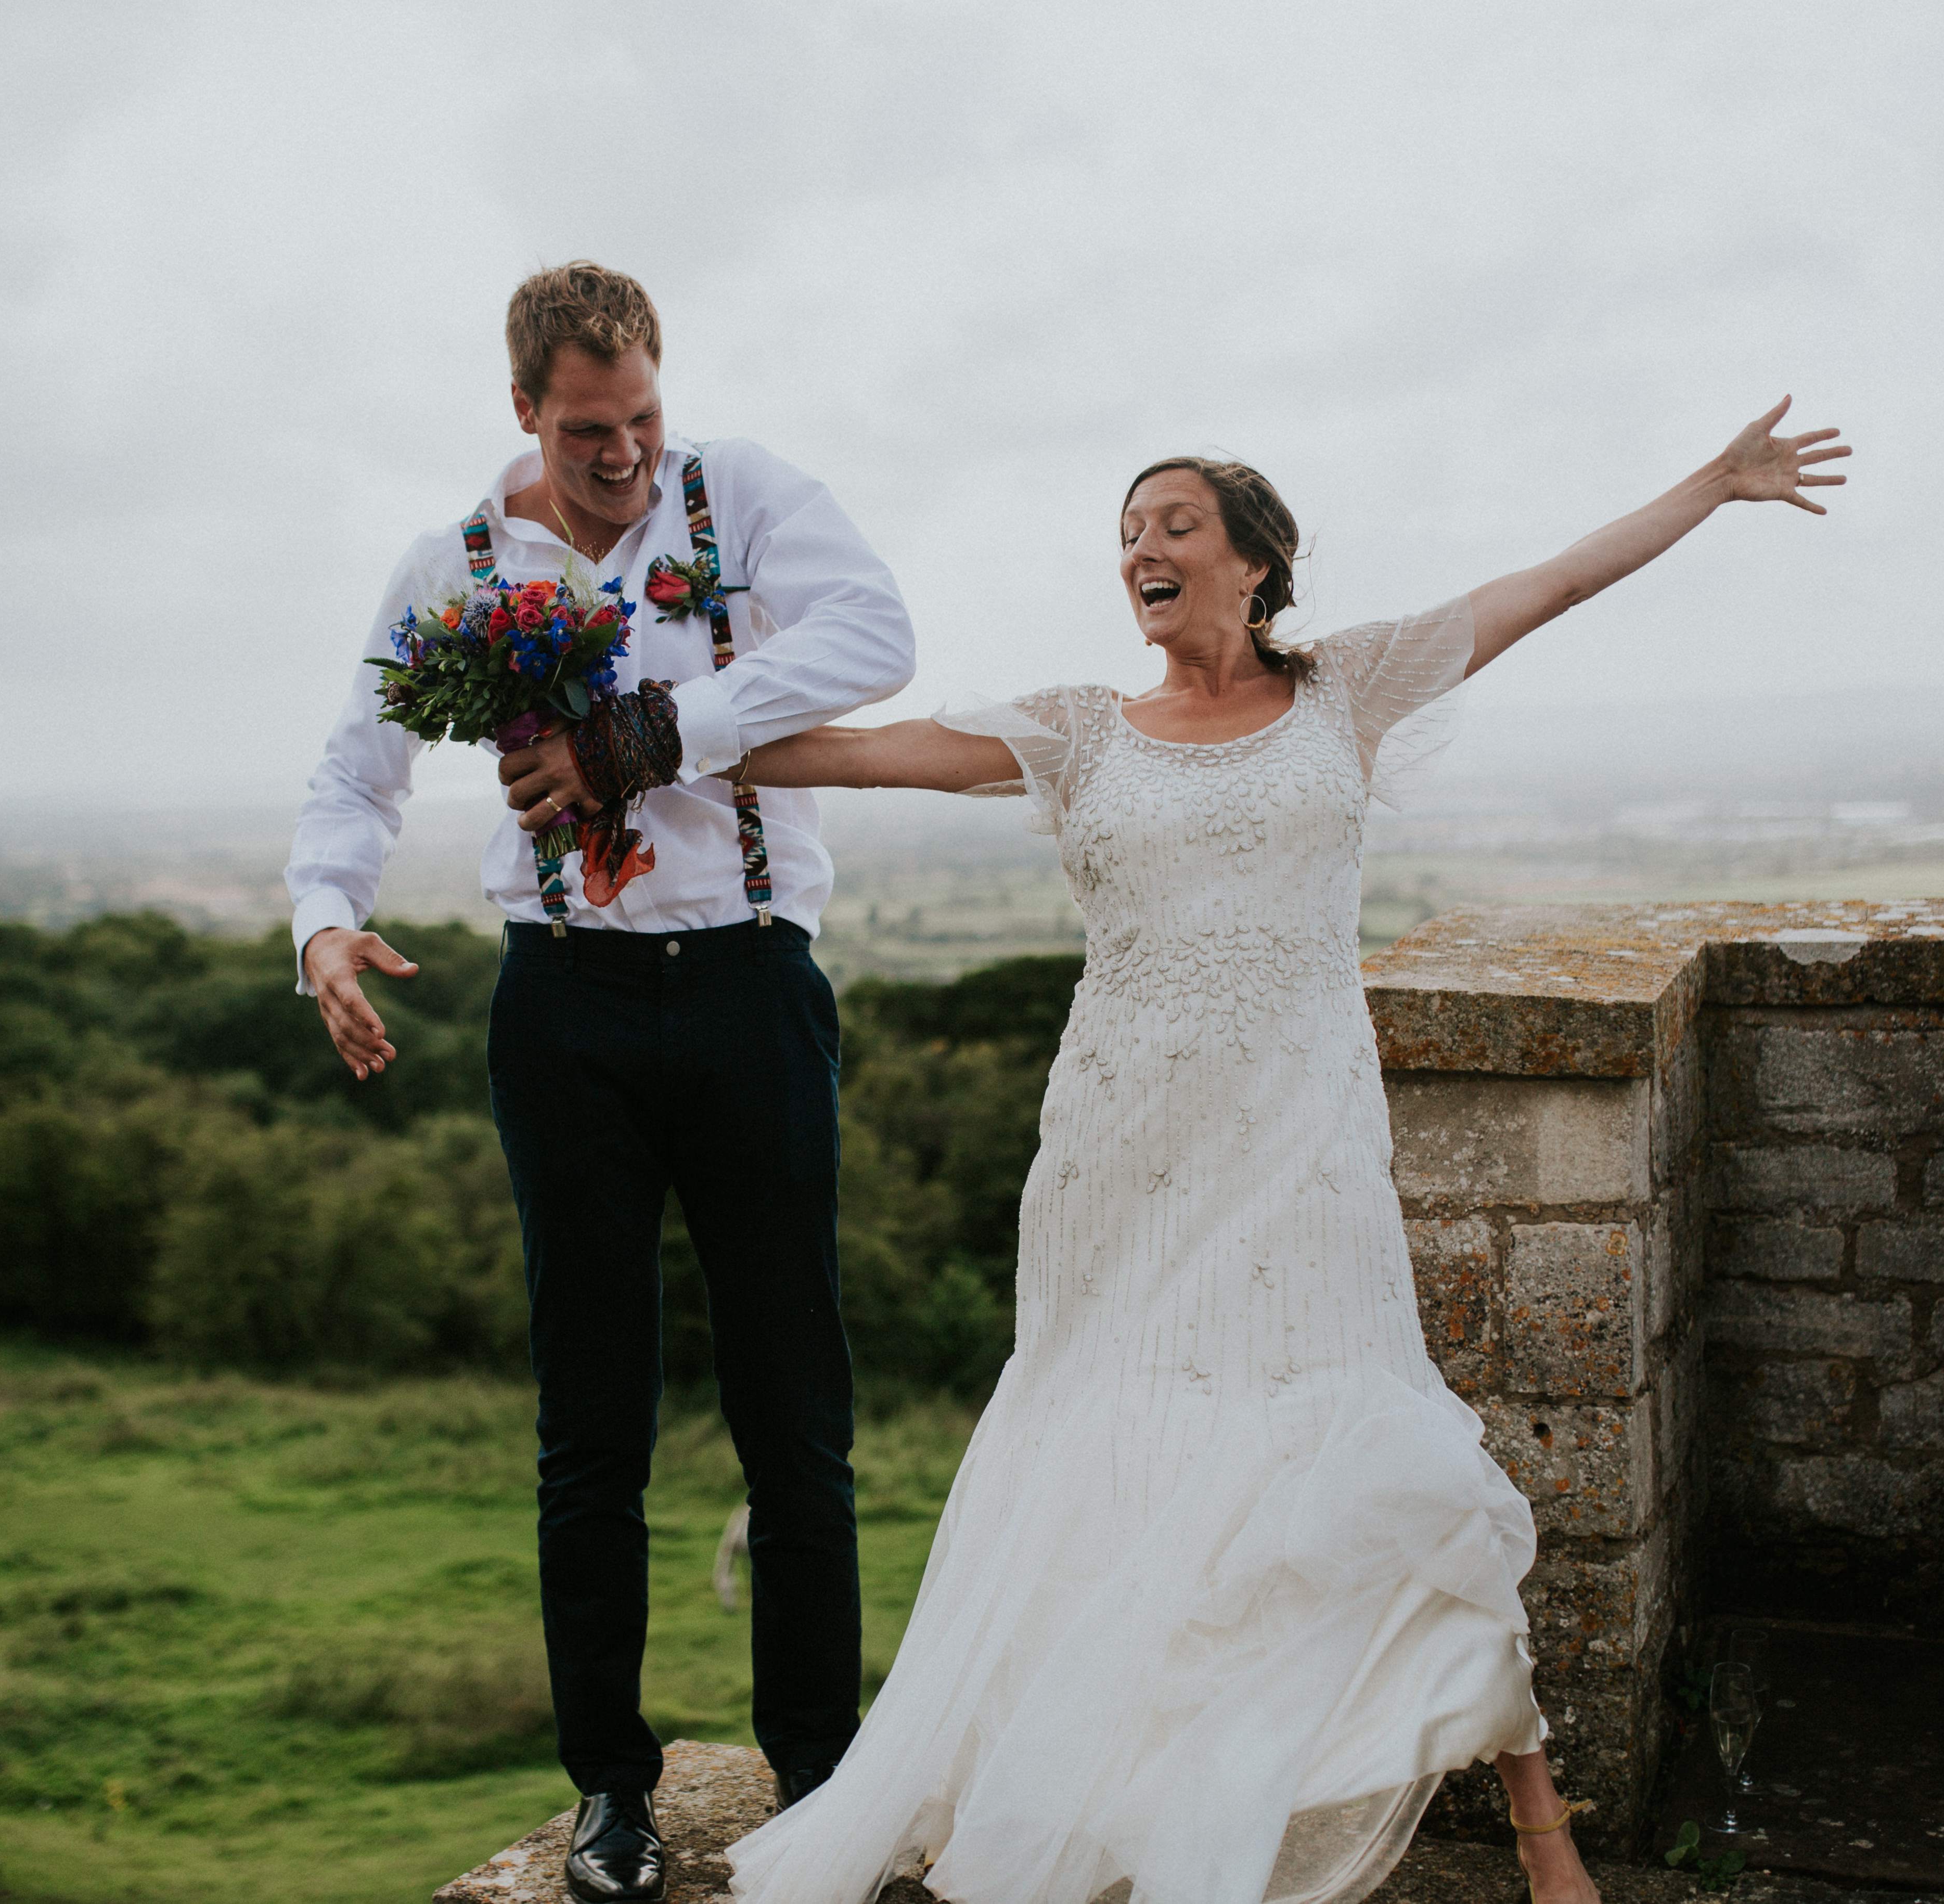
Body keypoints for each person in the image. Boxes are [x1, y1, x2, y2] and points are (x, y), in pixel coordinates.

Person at [664, 402, 1849, 1904]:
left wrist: (1715, 483)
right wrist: (643, 732)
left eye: (1171, 525)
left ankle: (1545, 1833)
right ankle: (1124, 1814)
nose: (1139, 551)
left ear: (1253, 561)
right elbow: (859, 749)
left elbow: (1549, 583)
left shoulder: (1350, 687)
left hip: (1303, 1143)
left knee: (1374, 1439)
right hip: (1122, 1150)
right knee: (1120, 1458)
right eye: (1125, 536)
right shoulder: (1078, 728)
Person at [286, 262, 917, 1904]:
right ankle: (610, 1793)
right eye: (588, 429)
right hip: (560, 1004)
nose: (624, 450)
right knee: (592, 1419)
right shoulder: (456, 563)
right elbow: (357, 764)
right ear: (524, 412)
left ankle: (819, 1771)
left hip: (748, 983)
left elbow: (875, 634)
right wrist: (325, 926)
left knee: (796, 1405)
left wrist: (652, 731)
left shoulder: (745, 495)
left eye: (641, 413)